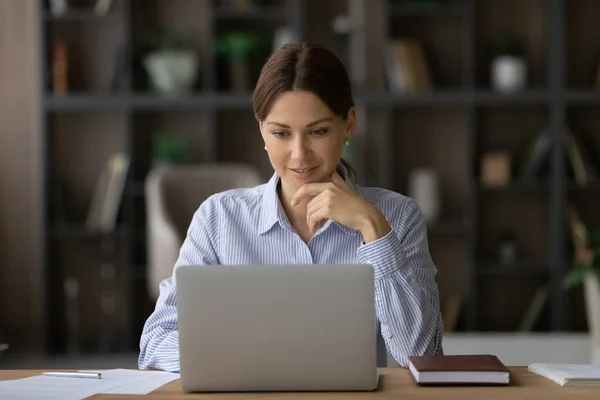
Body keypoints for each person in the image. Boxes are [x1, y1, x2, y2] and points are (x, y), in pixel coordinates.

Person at [138, 42, 444, 372]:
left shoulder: (398, 216)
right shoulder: (218, 220)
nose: (299, 154)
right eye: (281, 133)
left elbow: (422, 355)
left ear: (349, 125)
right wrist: (249, 361)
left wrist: (374, 230)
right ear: (262, 132)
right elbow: (157, 340)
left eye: (318, 131)